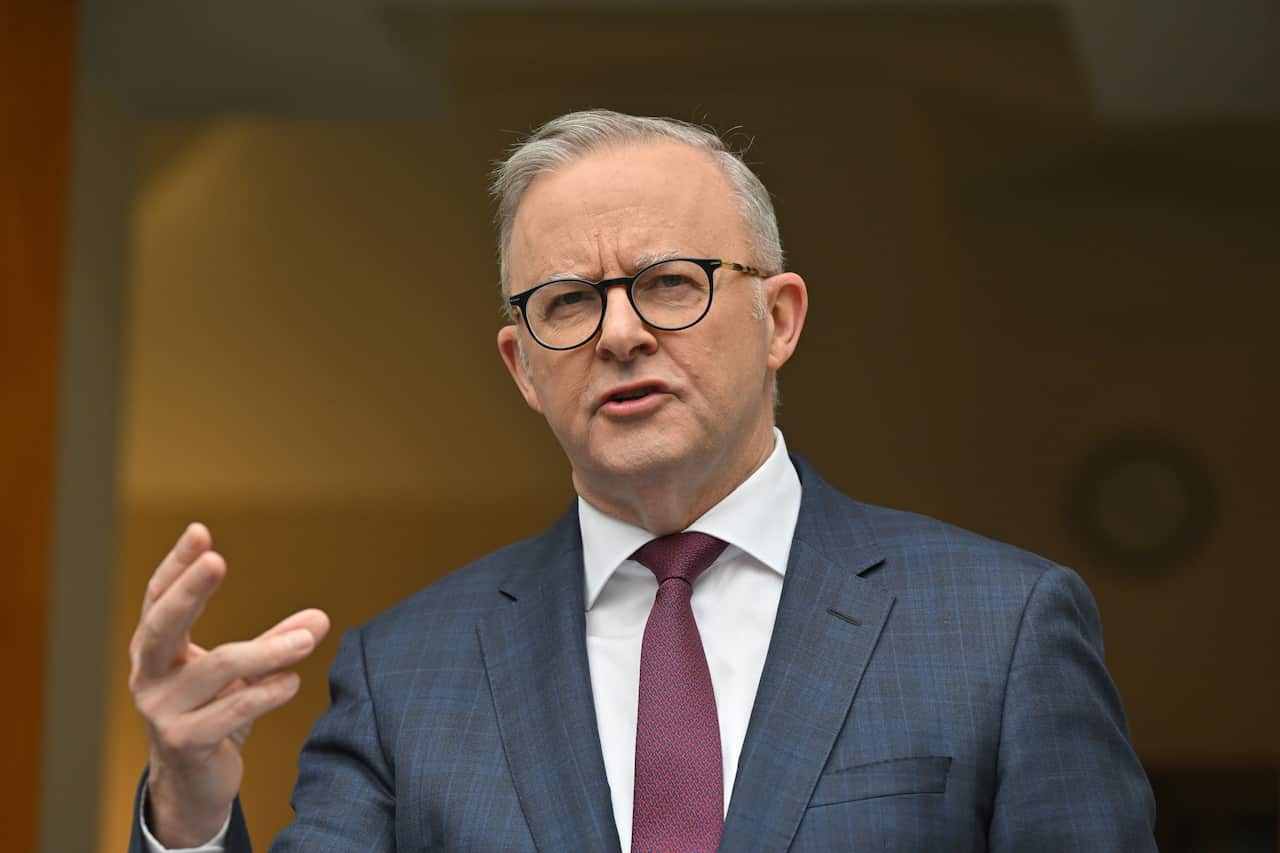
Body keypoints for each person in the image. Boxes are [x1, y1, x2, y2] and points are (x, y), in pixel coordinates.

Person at [128, 109, 1157, 852]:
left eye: (669, 282)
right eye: (567, 302)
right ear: (522, 365)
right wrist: (189, 810)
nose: (619, 333)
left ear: (779, 319)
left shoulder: (998, 626)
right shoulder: (408, 673)